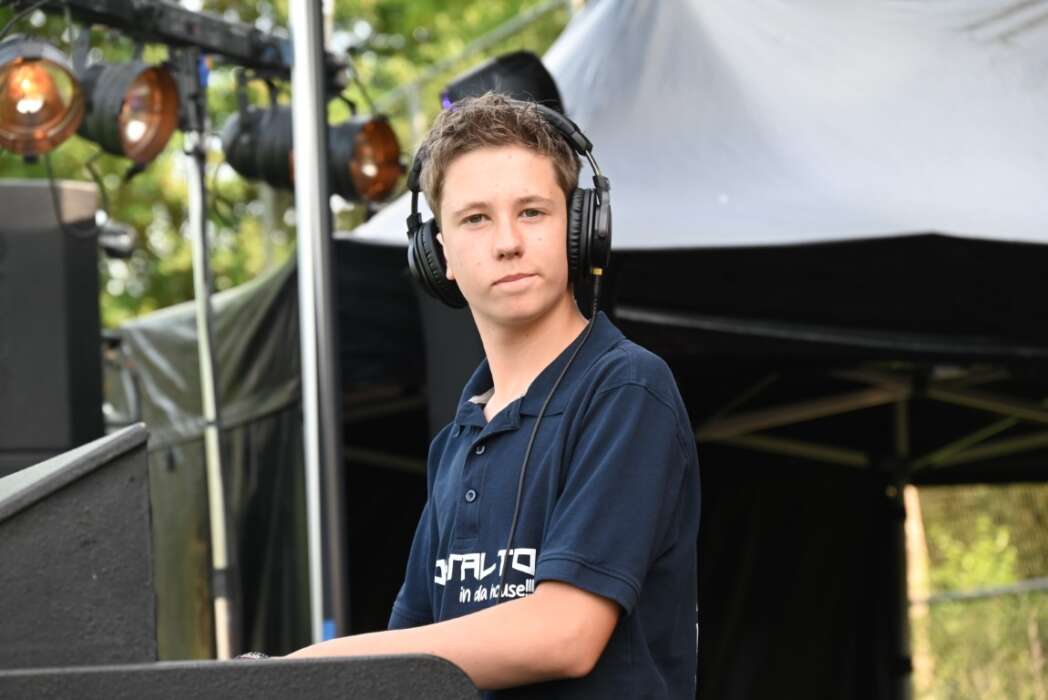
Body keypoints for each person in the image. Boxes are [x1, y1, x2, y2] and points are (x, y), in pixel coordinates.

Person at [288, 93, 701, 698]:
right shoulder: (457, 440)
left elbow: (564, 634)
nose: (507, 241)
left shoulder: (626, 389)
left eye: (531, 212)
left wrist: (306, 666)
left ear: (579, 231)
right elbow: (407, 656)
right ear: (439, 256)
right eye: (475, 219)